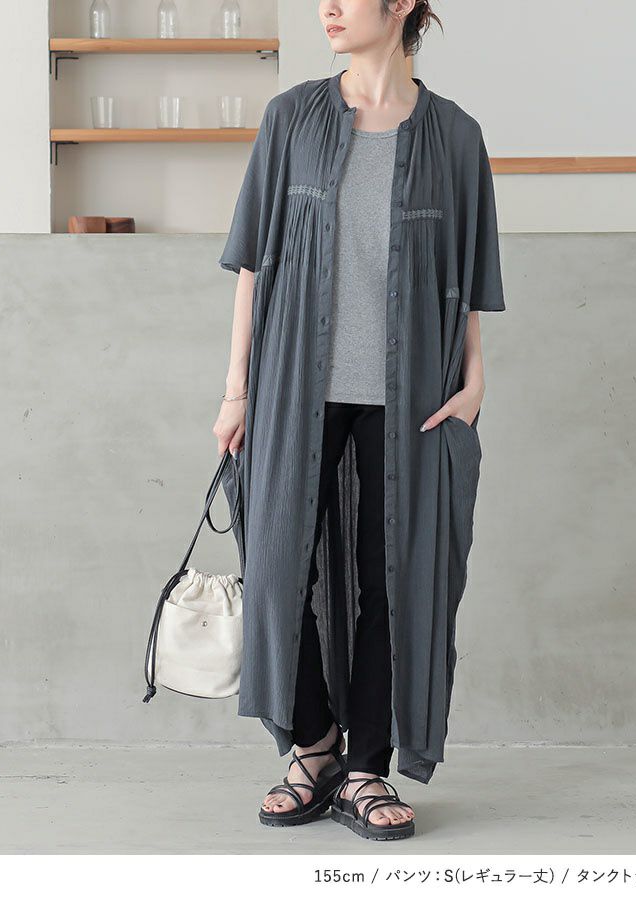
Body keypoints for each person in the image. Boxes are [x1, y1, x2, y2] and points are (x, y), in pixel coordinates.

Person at [213, 0, 505, 842]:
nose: (328, 8)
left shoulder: (455, 136)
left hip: (414, 395)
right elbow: (254, 259)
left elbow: (470, 270)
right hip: (293, 384)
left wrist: (475, 377)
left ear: (402, 4)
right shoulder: (293, 118)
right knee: (278, 566)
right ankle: (314, 747)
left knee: (396, 579)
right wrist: (236, 388)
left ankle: (367, 768)